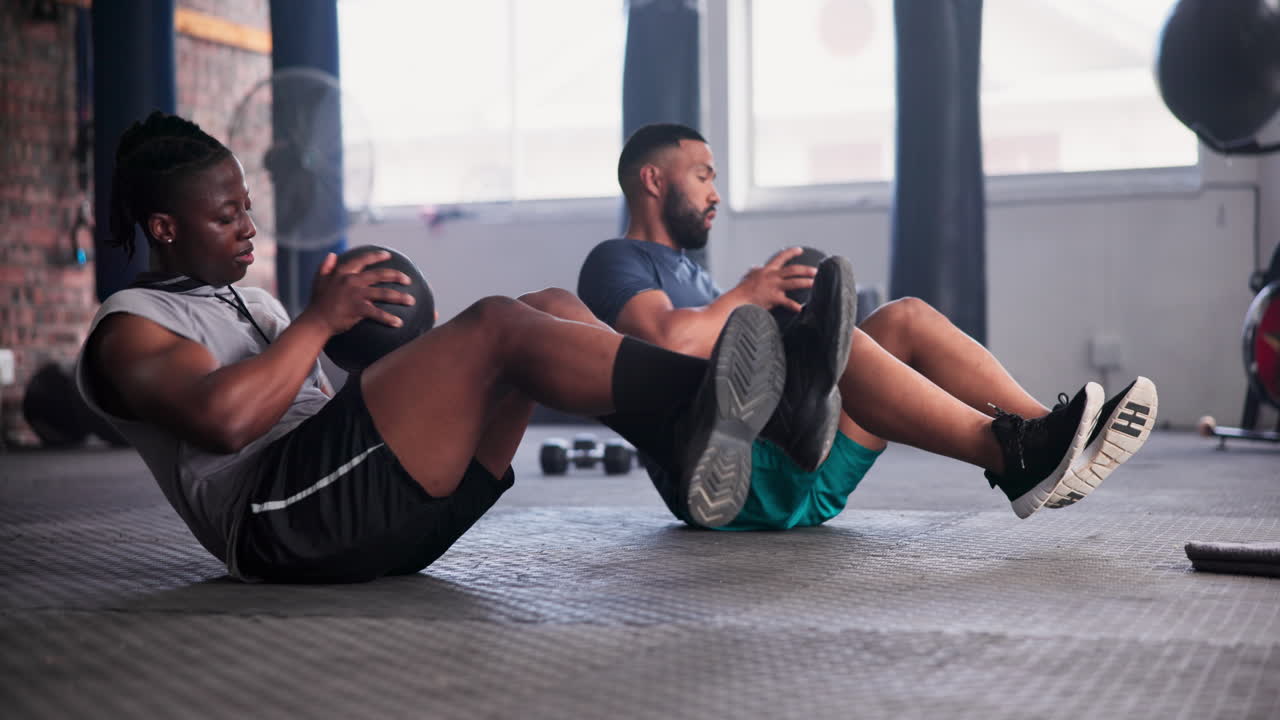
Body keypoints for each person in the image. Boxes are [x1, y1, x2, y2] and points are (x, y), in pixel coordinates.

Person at [75, 112, 840, 583]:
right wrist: (320, 321)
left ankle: (694, 438)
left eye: (247, 208)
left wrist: (413, 342)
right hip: (284, 526)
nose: (248, 228)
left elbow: (341, 410)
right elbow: (225, 422)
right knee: (499, 326)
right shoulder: (131, 326)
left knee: (547, 308)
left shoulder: (258, 303)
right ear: (164, 228)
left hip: (365, 506)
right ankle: (771, 411)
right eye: (225, 217)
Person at [577, 123, 1159, 530]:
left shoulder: (696, 279)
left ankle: (1054, 436)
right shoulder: (616, 259)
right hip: (730, 483)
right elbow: (665, 340)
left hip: (803, 464)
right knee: (843, 342)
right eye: (703, 176)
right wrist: (748, 295)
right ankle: (1017, 456)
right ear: (653, 180)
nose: (715, 193)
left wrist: (769, 318)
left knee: (905, 317)